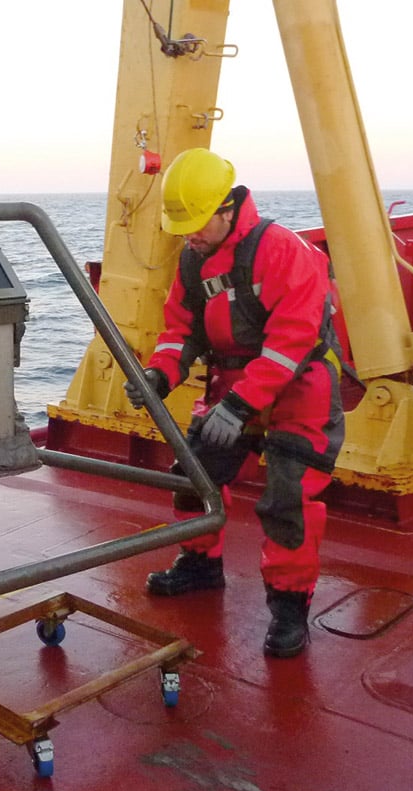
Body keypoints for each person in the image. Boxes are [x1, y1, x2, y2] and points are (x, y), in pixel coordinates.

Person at [124, 148, 345, 658]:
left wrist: (241, 406)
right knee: (191, 474)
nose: (189, 235)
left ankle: (290, 610)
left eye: (197, 224)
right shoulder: (192, 259)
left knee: (288, 499)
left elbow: (292, 339)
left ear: (229, 209)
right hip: (234, 386)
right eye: (182, 226)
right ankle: (201, 565)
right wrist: (161, 373)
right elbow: (181, 329)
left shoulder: (282, 251)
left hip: (299, 389)